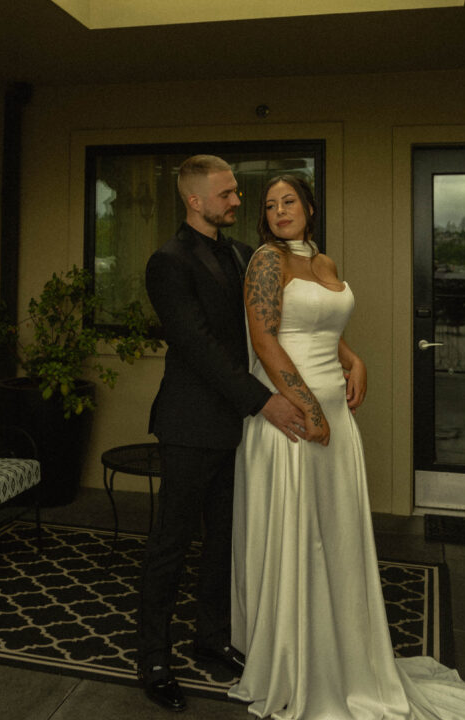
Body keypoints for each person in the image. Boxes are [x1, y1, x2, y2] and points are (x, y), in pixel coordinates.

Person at [229, 174, 465, 720]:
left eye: (289, 201)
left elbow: (320, 325)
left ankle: (341, 645)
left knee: (333, 533)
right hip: (292, 417)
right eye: (269, 205)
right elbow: (265, 338)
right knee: (299, 532)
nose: (279, 210)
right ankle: (296, 655)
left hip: (333, 414)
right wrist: (308, 408)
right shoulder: (267, 261)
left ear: (309, 208)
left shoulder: (323, 262)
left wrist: (353, 358)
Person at [137, 155, 309, 712]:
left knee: (223, 542)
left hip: (239, 428)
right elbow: (199, 346)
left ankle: (210, 639)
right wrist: (266, 404)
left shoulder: (241, 254)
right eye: (229, 193)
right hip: (190, 424)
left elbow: (267, 331)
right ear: (195, 199)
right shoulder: (166, 263)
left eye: (237, 192)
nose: (239, 201)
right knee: (171, 544)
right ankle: (154, 658)